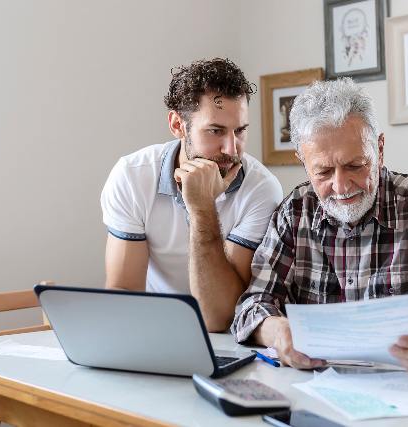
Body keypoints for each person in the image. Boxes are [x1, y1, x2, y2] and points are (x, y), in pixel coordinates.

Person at [231, 78, 408, 380]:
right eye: (323, 171)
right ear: (302, 161)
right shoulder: (294, 212)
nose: (341, 186)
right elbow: (252, 306)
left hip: (406, 390)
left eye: (355, 165)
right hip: (314, 388)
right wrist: (276, 331)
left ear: (379, 148)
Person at [101, 58, 283, 332]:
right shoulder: (132, 175)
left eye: (240, 130)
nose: (232, 149)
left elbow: (220, 317)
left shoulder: (261, 189)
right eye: (215, 131)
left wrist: (202, 208)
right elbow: (124, 291)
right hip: (151, 329)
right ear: (177, 124)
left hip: (227, 340)